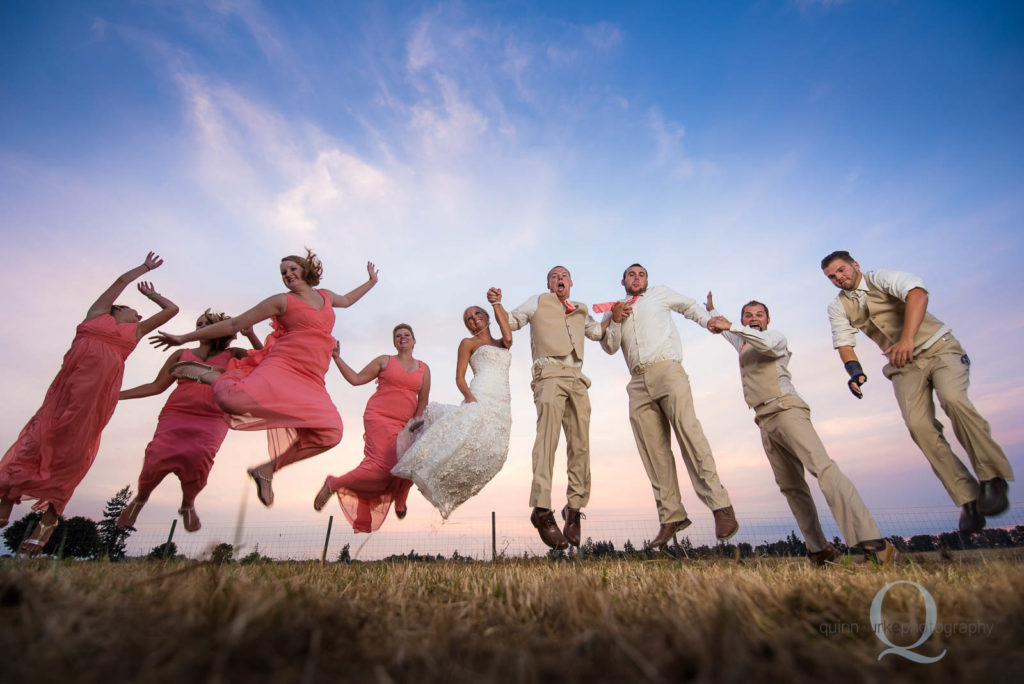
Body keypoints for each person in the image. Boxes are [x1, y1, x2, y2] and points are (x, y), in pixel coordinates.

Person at [150, 250, 378, 507]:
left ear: (305, 269)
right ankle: (214, 376)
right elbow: (234, 324)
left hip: (313, 375)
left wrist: (371, 282)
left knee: (331, 433)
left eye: (292, 269)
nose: (287, 275)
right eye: (283, 273)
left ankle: (267, 470)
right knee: (233, 402)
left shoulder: (325, 296)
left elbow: (347, 300)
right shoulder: (281, 301)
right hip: (283, 364)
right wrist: (182, 338)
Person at [821, 250, 1013, 534]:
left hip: (939, 349)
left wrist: (907, 338)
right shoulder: (838, 306)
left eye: (841, 270)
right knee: (918, 426)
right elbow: (843, 339)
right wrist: (854, 372)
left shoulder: (881, 278)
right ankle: (968, 499)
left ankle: (993, 479)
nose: (839, 278)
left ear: (855, 265)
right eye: (832, 276)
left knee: (954, 400)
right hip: (903, 366)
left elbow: (917, 294)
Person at [0, 253, 178, 554]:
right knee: (35, 444)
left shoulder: (135, 332)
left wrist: (152, 295)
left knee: (73, 456)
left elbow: (172, 309)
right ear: (117, 308)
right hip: (63, 395)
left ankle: (49, 520)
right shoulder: (95, 316)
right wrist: (143, 269)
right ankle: (5, 502)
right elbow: (120, 282)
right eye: (134, 310)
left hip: (95, 402)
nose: (138, 315)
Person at [705, 293, 895, 566]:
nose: (753, 319)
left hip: (787, 410)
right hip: (764, 419)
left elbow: (757, 340)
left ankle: (875, 544)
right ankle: (819, 550)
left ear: (768, 320)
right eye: (748, 315)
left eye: (759, 315)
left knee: (824, 469)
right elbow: (729, 334)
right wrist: (713, 311)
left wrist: (732, 325)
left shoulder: (775, 337)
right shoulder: (743, 343)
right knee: (791, 487)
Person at [597, 263, 738, 549]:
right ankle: (671, 516)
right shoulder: (615, 309)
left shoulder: (659, 295)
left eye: (641, 275)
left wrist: (709, 320)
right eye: (631, 275)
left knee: (690, 435)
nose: (636, 278)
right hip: (637, 382)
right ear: (622, 280)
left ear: (647, 280)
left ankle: (721, 507)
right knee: (653, 451)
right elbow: (610, 347)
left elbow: (688, 306)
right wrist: (614, 320)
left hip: (667, 371)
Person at [491, 266, 608, 550]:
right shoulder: (538, 300)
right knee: (547, 441)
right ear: (548, 283)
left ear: (571, 282)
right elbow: (513, 322)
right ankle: (541, 509)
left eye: (564, 276)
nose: (559, 279)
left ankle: (575, 509)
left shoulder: (581, 308)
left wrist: (613, 318)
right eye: (554, 276)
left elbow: (597, 333)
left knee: (580, 445)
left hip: (578, 378)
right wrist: (497, 305)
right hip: (549, 375)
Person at [116, 310, 264, 532]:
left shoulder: (234, 354)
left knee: (199, 459)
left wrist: (251, 335)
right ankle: (141, 497)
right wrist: (117, 394)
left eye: (207, 324)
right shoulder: (181, 354)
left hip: (213, 418)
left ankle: (188, 503)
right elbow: (156, 386)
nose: (200, 327)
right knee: (156, 456)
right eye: (198, 323)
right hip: (177, 413)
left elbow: (265, 362)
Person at [391, 298, 513, 518]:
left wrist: (497, 304)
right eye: (468, 319)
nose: (473, 319)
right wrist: (470, 398)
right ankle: (423, 457)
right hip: (481, 392)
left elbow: (509, 337)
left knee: (494, 451)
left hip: (502, 399)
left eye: (477, 314)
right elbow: (459, 378)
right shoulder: (468, 343)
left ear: (486, 317)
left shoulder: (501, 342)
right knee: (465, 432)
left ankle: (449, 475)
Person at [314, 324, 430, 532]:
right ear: (394, 342)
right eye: (398, 336)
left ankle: (400, 497)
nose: (402, 337)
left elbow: (423, 401)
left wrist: (415, 424)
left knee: (414, 459)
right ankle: (333, 483)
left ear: (414, 341)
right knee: (382, 464)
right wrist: (337, 358)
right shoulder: (384, 360)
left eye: (406, 335)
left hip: (405, 424)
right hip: (379, 417)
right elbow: (356, 379)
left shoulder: (424, 368)